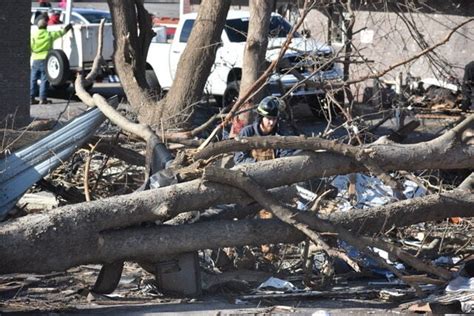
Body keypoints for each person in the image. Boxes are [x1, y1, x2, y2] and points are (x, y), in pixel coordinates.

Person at [234, 96, 294, 164]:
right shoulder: (247, 133)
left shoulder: (280, 134)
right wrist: (259, 164)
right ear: (261, 117)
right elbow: (239, 159)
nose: (271, 123)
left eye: (274, 119)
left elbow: (286, 157)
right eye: (269, 119)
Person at [30, 17, 72, 104]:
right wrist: (67, 28)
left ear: (38, 26)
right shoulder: (49, 34)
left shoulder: (33, 35)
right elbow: (60, 33)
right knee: (44, 79)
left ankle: (31, 98)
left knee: (33, 79)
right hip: (46, 59)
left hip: (35, 59)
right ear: (46, 26)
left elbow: (30, 47)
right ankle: (43, 98)